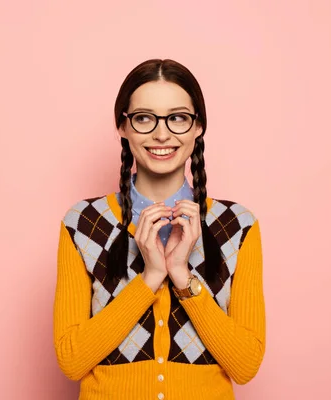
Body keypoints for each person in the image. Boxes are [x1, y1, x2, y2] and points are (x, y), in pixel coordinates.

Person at [53, 59, 265, 400]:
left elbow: (245, 365)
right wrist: (150, 278)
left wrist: (181, 275)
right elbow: (72, 360)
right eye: (144, 118)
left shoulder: (237, 225)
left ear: (199, 127)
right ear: (123, 127)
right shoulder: (83, 222)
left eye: (178, 117)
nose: (161, 133)